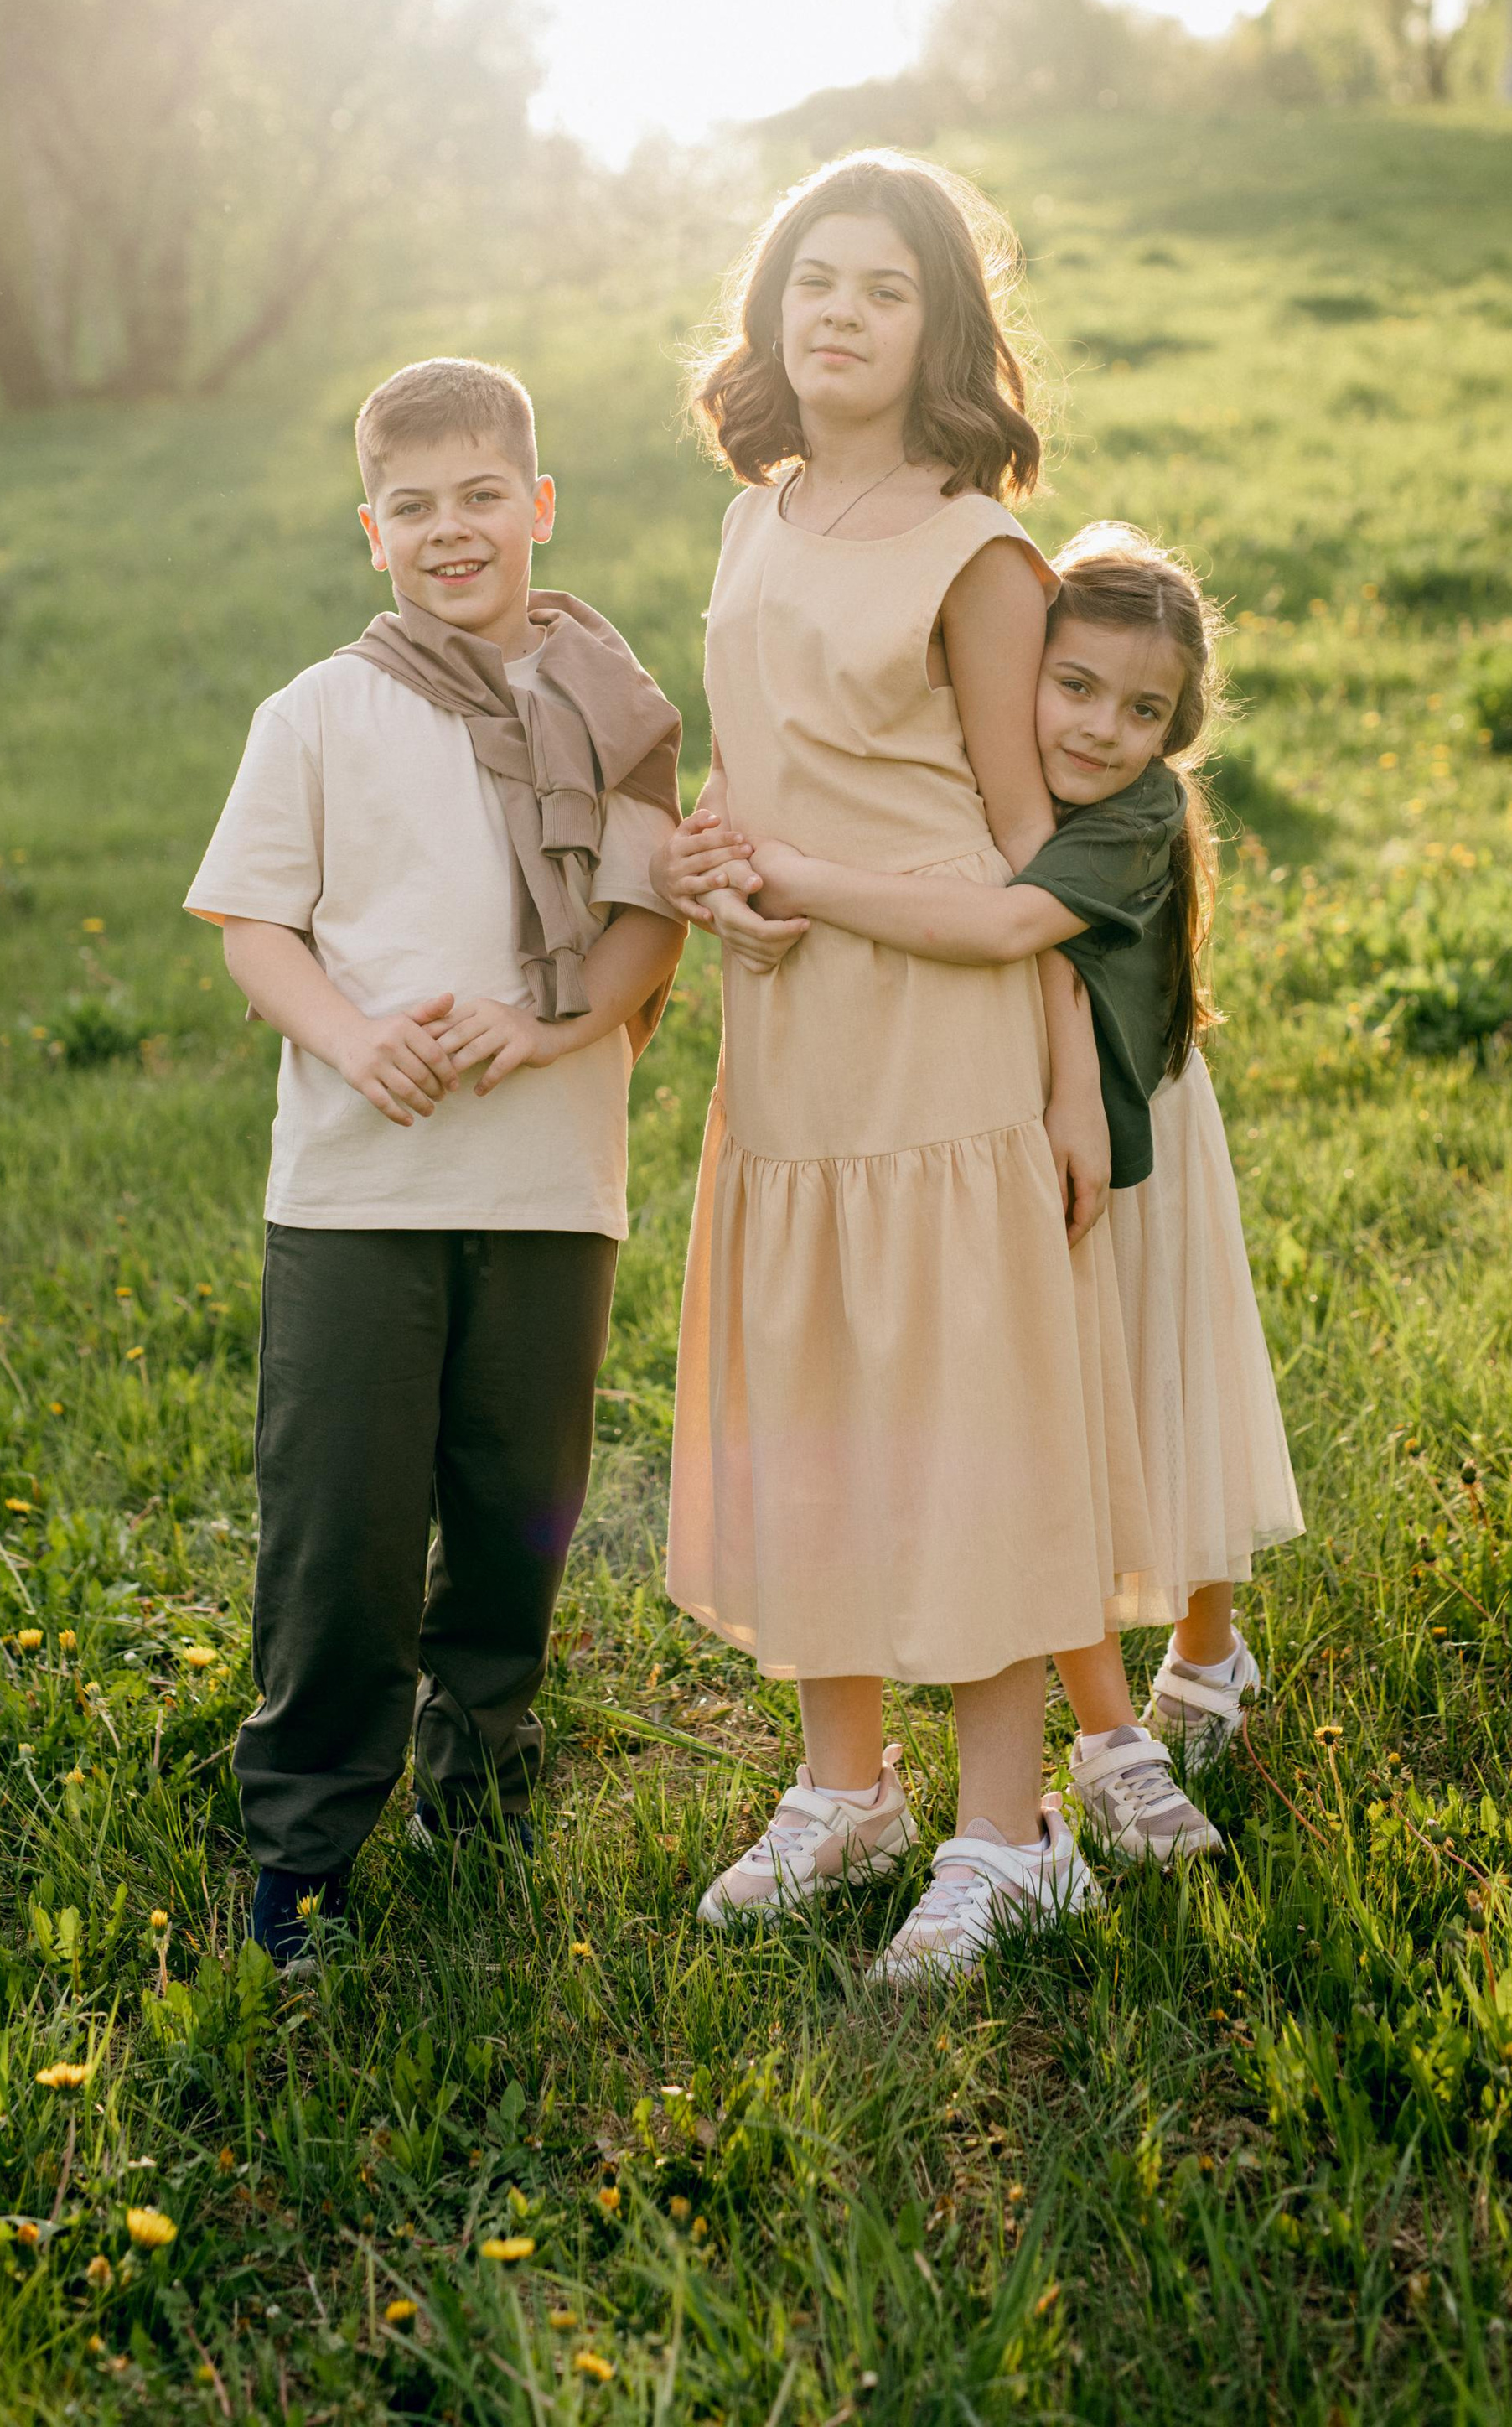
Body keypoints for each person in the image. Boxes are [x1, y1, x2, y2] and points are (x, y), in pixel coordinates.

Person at [656, 151, 1147, 1984]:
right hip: (790, 1036)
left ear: (941, 322)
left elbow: (1038, 855)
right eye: (810, 284)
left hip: (945, 1029)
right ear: (769, 318)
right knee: (813, 1400)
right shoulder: (752, 520)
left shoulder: (978, 549)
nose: (840, 315)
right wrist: (709, 857)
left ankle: (1010, 1836)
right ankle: (843, 1787)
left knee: (960, 1423)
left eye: (880, 287)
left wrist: (1074, 1085)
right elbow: (750, 775)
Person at [185, 357, 685, 1963]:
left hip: (548, 1183)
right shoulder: (322, 710)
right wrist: (350, 1035)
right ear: (371, 531)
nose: (451, 531)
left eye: (483, 497)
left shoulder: (609, 712)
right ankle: (307, 1843)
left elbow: (642, 933)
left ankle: (483, 1799)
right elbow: (255, 919)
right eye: (415, 507)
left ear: (539, 507)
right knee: (340, 1523)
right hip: (359, 1190)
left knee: (513, 1510)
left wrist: (542, 1033)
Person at [740, 523, 1304, 1866]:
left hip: (1143, 1136)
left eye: (1146, 708)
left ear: (1180, 727)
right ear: (1019, 675)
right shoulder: (972, 776)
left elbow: (1006, 926)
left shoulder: (1141, 813)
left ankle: (1202, 1663)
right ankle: (1113, 1736)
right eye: (1076, 687)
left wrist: (794, 879)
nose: (1106, 728)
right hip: (1030, 1147)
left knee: (1171, 1397)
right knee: (1063, 1430)